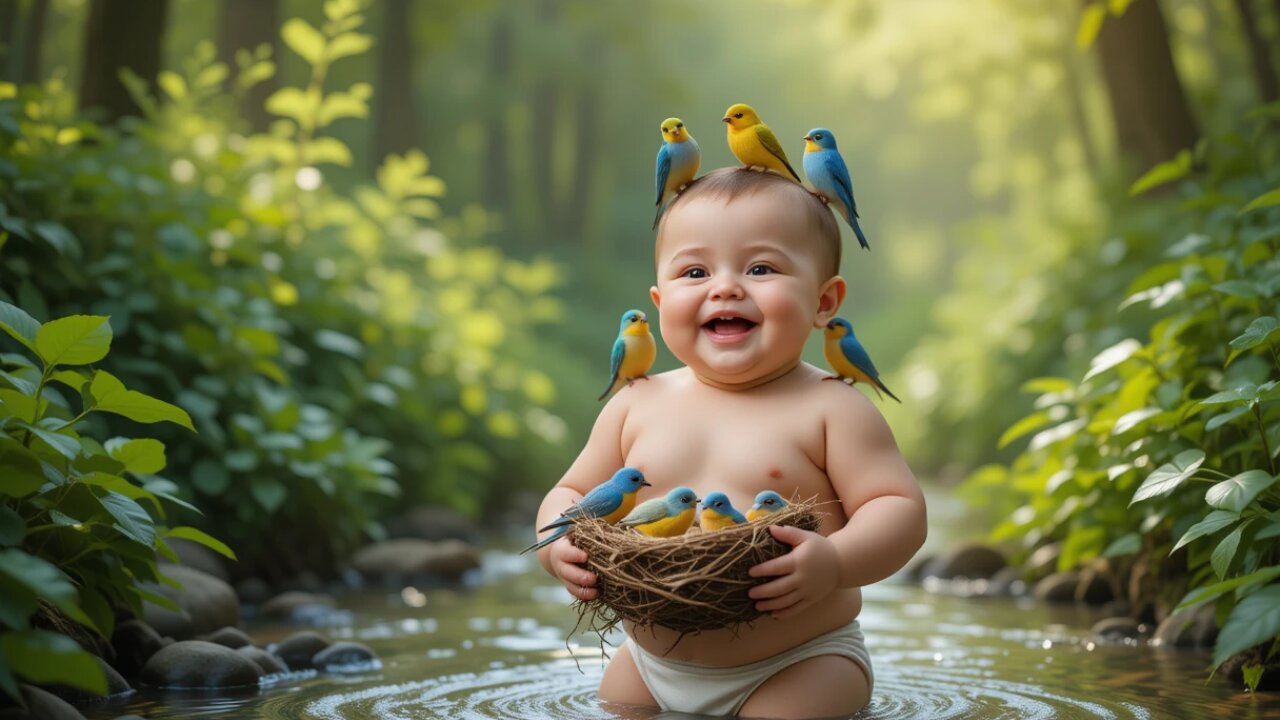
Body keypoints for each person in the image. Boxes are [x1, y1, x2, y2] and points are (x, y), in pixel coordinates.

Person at [531, 167, 927, 719]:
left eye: (760, 268)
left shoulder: (832, 408)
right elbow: (571, 491)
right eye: (694, 271)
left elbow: (899, 509)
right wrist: (557, 549)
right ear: (659, 299)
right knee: (617, 707)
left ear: (823, 301)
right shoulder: (635, 403)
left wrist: (834, 562)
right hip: (650, 664)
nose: (725, 287)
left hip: (797, 664)